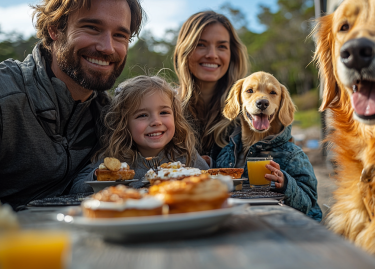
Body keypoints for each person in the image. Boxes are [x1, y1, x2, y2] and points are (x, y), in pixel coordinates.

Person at [0, 0, 145, 210]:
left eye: (120, 35)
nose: (108, 47)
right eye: (92, 28)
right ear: (54, 28)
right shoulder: (6, 97)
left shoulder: (109, 115)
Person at [71, 75, 208, 192]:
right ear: (124, 124)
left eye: (164, 112)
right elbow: (76, 188)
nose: (156, 122)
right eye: (142, 115)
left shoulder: (187, 156)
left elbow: (212, 181)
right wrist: (100, 176)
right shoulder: (117, 160)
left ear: (176, 117)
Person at [173, 11, 249, 165]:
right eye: (201, 45)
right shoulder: (164, 109)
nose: (212, 55)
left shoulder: (248, 112)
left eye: (221, 46)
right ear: (185, 50)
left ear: (232, 55)